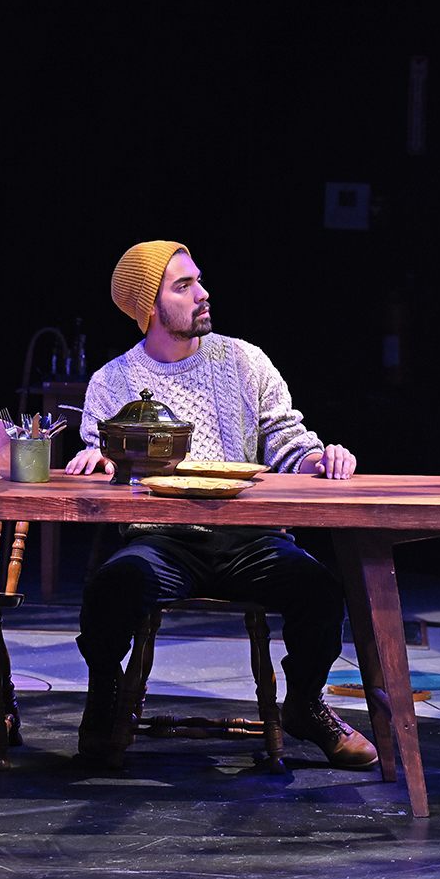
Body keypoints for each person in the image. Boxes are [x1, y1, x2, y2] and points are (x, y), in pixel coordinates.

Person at [64, 241, 376, 768]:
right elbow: (103, 454)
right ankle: (106, 694)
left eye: (199, 281)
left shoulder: (244, 360)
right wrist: (97, 463)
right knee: (112, 586)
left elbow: (286, 439)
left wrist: (318, 459)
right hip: (162, 541)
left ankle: (303, 702)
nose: (203, 294)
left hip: (248, 539)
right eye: (183, 286)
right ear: (149, 308)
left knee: (320, 590)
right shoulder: (112, 381)